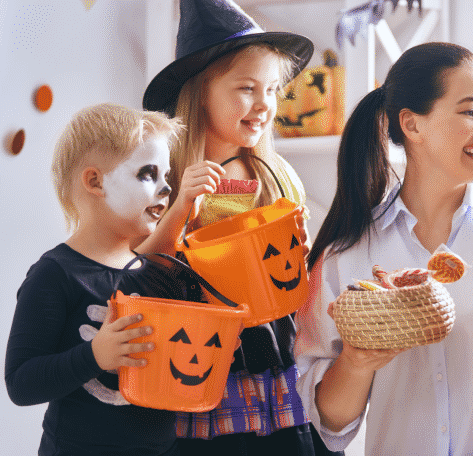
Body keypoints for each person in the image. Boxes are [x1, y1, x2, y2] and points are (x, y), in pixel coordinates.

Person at [295, 42, 473, 455]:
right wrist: (356, 362)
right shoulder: (347, 254)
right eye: (470, 111)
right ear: (411, 125)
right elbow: (328, 426)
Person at [139, 1, 339, 455]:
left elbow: (295, 268)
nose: (265, 104)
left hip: (275, 354)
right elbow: (140, 272)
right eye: (247, 88)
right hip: (201, 353)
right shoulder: (163, 175)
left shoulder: (275, 172)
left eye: (272, 89)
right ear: (201, 91)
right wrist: (180, 212)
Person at [5, 103, 183, 455]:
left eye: (167, 177)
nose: (165, 190)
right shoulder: (54, 274)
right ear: (95, 181)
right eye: (148, 174)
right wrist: (94, 356)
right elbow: (20, 383)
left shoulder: (158, 273)